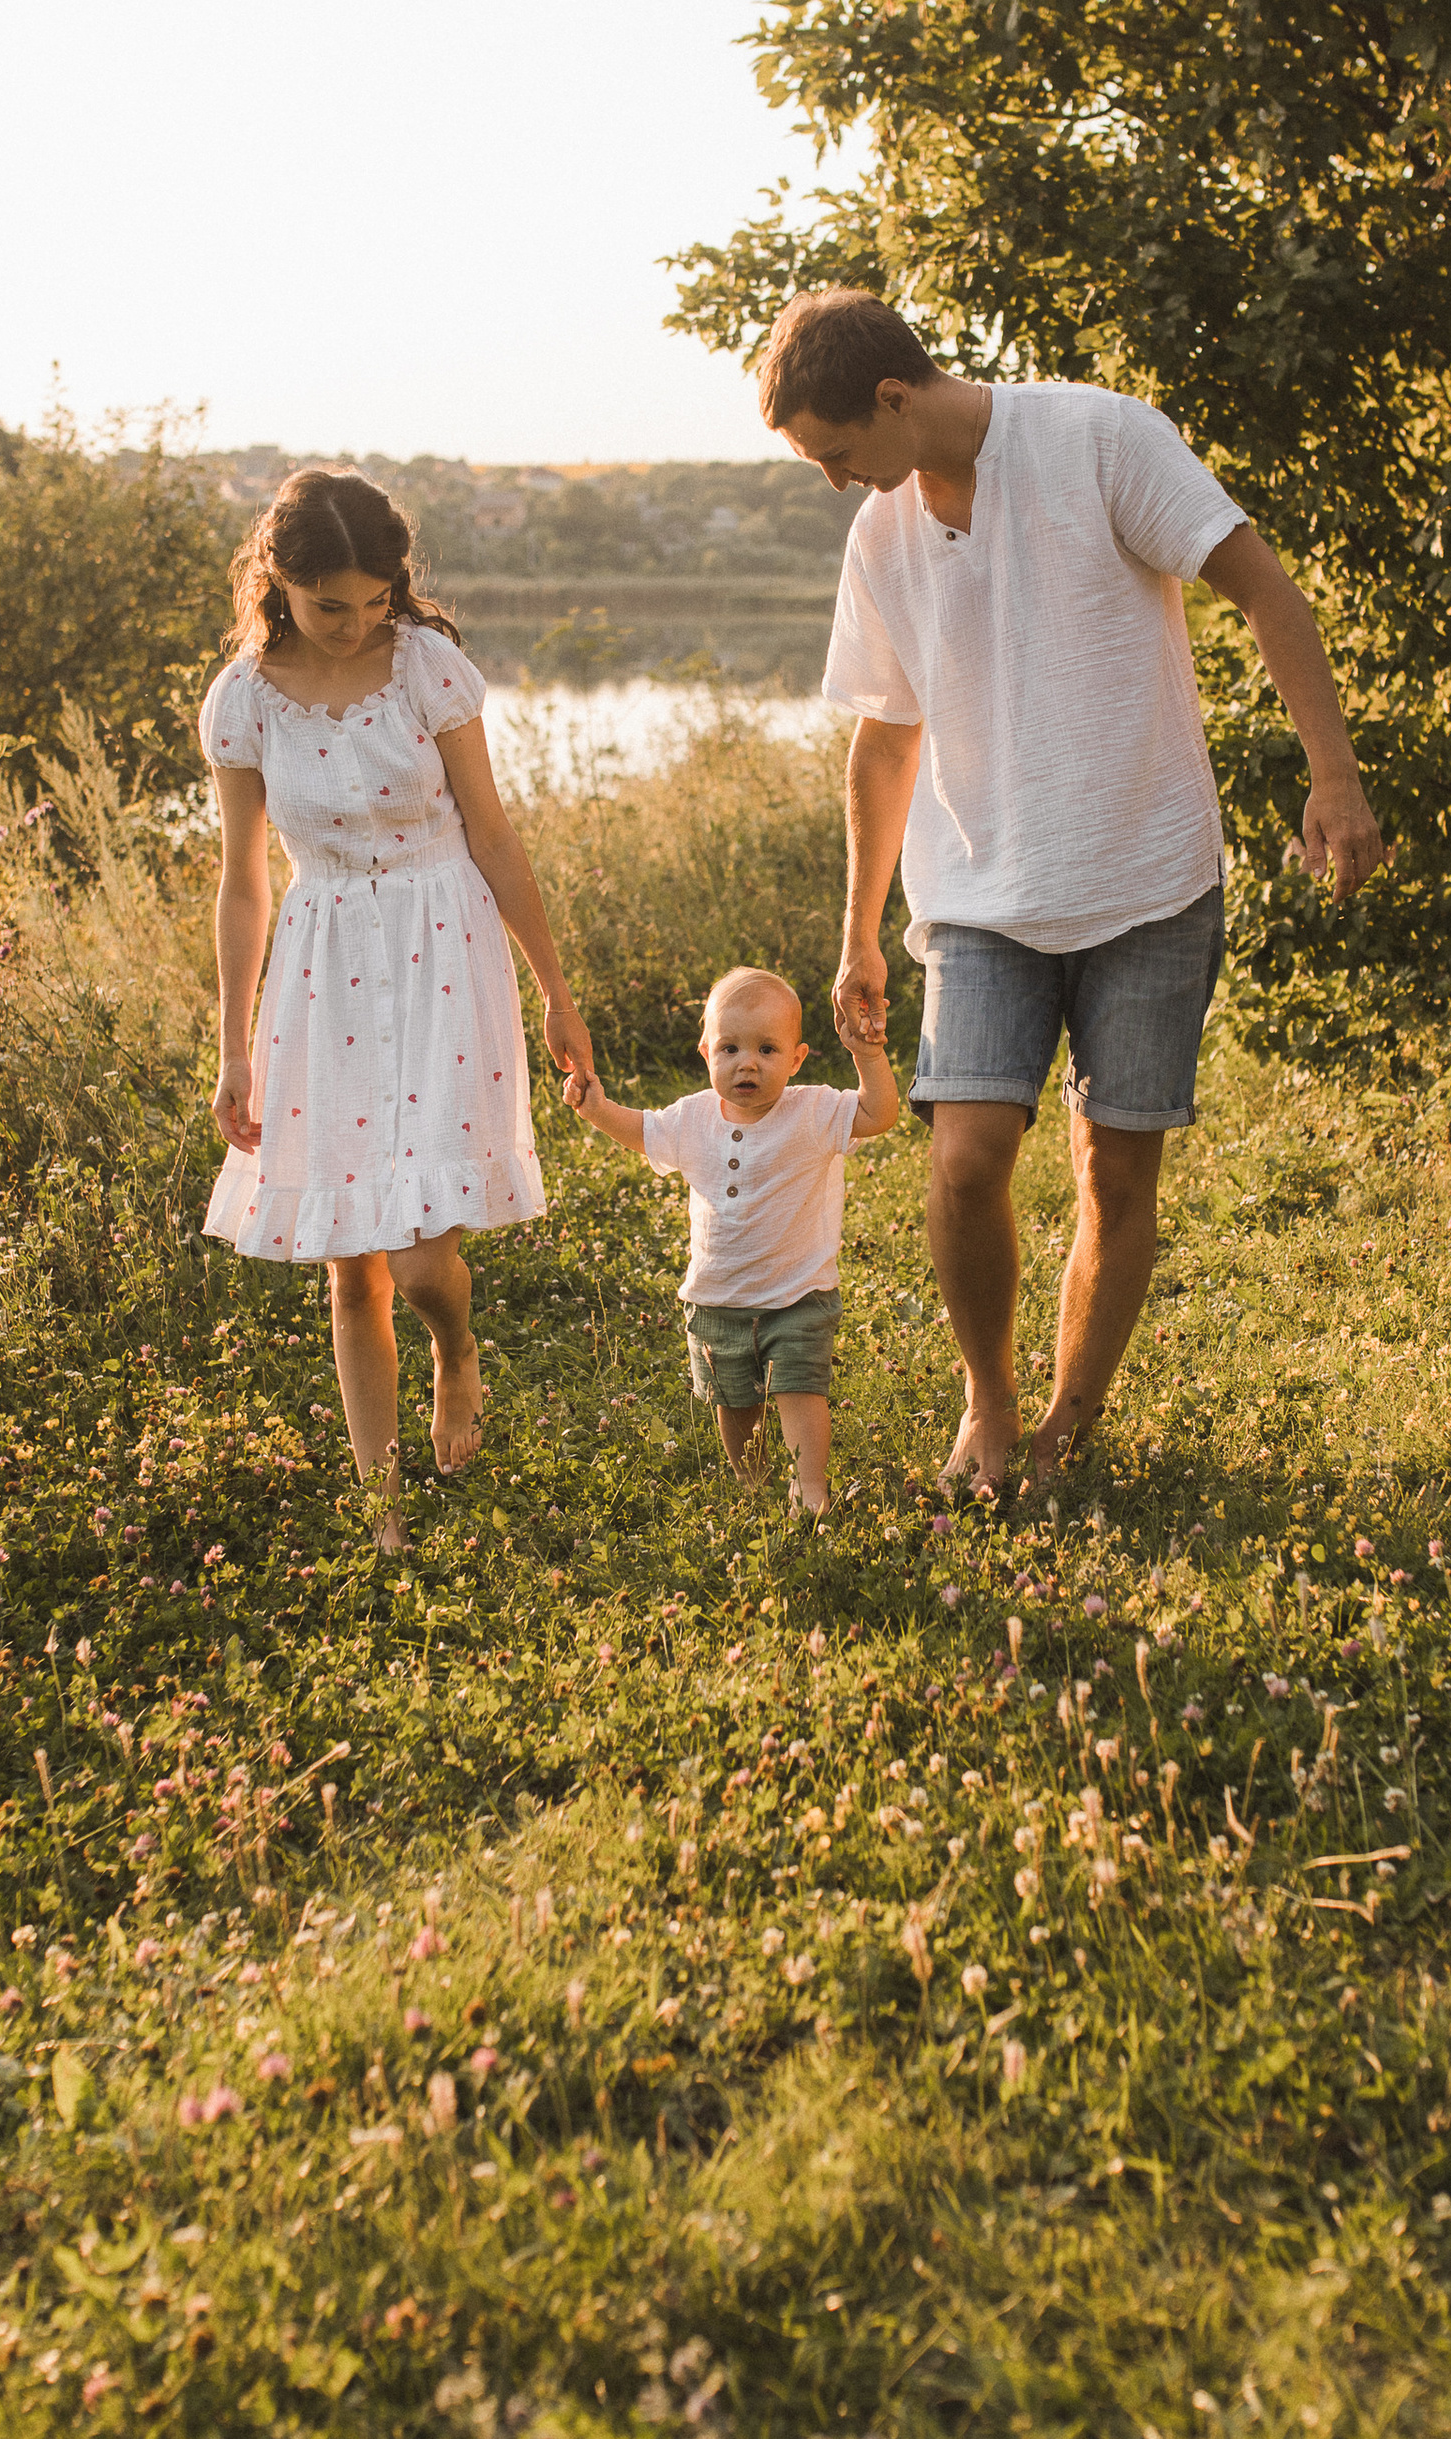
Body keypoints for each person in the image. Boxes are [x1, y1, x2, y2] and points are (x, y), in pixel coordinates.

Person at [765, 286, 1385, 1498]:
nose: (836, 482)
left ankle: (1065, 1428)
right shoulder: (882, 535)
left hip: (1146, 877)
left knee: (1115, 1170)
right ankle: (987, 1409)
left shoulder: (1101, 439)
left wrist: (1336, 779)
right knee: (966, 1158)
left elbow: (1265, 591)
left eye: (837, 454)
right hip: (981, 893)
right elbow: (884, 742)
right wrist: (857, 933)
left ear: (893, 397)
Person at [200, 467, 594, 1535]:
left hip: (443, 945)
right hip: (322, 967)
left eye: (375, 601)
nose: (356, 623)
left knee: (424, 1262)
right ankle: (381, 1511)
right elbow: (243, 882)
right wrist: (233, 1046)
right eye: (334, 605)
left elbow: (495, 835)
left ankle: (455, 1351)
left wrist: (555, 990)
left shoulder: (427, 668)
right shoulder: (242, 699)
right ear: (279, 582)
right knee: (352, 1266)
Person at [562, 962, 898, 1515]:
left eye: (768, 1050)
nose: (748, 1062)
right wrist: (596, 1106)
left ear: (796, 1058)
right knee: (734, 1404)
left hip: (798, 1295)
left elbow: (879, 1113)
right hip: (717, 1299)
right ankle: (752, 1484)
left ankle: (809, 1488)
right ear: (706, 1052)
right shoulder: (691, 1119)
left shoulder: (813, 1110)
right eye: (731, 1049)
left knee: (800, 1392)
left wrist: (867, 1055)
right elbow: (641, 1131)